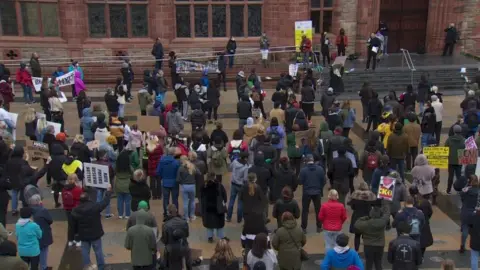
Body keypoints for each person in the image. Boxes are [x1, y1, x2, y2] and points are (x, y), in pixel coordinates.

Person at [72, 187, 112, 270]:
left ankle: (87, 266)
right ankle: (101, 267)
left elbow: (73, 225)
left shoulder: (75, 210)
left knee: (85, 251)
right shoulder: (95, 206)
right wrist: (108, 192)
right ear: (88, 198)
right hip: (95, 233)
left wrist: (75, 235)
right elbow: (105, 202)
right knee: (98, 251)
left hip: (83, 235)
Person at [354, 205, 388, 270]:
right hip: (380, 245)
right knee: (378, 263)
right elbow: (386, 215)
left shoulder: (366, 223)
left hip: (368, 245)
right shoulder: (382, 222)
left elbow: (357, 223)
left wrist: (366, 217)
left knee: (369, 264)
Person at [297, 154, 324, 233]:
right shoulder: (320, 169)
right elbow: (324, 181)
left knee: (305, 211)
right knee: (318, 210)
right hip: (317, 192)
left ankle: (304, 228)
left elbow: (300, 182)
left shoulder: (303, 170)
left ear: (306, 161)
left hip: (306, 192)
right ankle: (319, 227)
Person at [160, 204, 192, 270]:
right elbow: (187, 235)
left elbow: (165, 240)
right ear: (176, 210)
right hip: (183, 247)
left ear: (168, 212)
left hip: (171, 250)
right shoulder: (184, 222)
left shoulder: (165, 224)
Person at [347, 182, 376, 251]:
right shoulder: (370, 195)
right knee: (366, 236)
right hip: (367, 217)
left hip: (356, 217)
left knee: (357, 235)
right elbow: (375, 204)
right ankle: (366, 251)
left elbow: (352, 206)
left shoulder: (355, 194)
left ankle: (356, 250)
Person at [201, 172, 227, 242]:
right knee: (219, 224)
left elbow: (201, 197)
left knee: (209, 224)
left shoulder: (204, 185)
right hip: (217, 208)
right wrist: (224, 202)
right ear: (214, 177)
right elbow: (224, 195)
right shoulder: (219, 185)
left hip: (207, 208)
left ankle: (210, 237)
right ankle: (222, 237)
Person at [29, 195, 52, 270]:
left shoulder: (29, 211)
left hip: (33, 235)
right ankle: (43, 267)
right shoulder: (43, 210)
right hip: (43, 234)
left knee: (35, 251)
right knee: (44, 251)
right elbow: (50, 220)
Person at [156, 147, 181, 217]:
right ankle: (175, 213)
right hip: (174, 182)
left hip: (165, 182)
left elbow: (158, 172)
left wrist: (162, 177)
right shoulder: (176, 162)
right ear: (174, 153)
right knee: (175, 199)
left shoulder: (162, 161)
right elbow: (178, 173)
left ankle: (166, 213)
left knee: (165, 199)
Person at [226, 152, 250, 223]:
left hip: (233, 184)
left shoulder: (235, 162)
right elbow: (245, 178)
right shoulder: (246, 167)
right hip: (241, 186)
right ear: (245, 158)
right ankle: (239, 219)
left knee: (231, 201)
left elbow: (230, 168)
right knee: (240, 203)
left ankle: (228, 217)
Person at [459, 175, 480, 253]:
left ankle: (462, 246)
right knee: (476, 231)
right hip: (476, 213)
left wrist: (466, 185)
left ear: (469, 181)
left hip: (465, 212)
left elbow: (461, 195)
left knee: (465, 229)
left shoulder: (466, 190)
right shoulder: (478, 191)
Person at [62, 174, 83, 247]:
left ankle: (70, 240)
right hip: (76, 209)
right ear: (76, 180)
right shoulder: (78, 189)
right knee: (77, 225)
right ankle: (77, 240)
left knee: (70, 225)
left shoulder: (64, 189)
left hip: (67, 209)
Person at [445, 125, 465, 194]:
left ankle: (448, 190)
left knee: (450, 176)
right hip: (459, 160)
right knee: (459, 176)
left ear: (454, 131)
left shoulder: (449, 139)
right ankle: (459, 189)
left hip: (450, 161)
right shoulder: (463, 140)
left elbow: (445, 148)